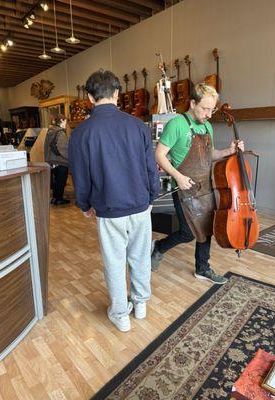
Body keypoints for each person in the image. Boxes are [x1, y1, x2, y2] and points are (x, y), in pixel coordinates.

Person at [68, 70, 159, 332]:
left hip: (108, 209)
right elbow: (150, 166)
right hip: (140, 205)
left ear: (89, 97)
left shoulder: (81, 133)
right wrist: (152, 195)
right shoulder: (138, 126)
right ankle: (140, 304)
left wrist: (84, 205)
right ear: (117, 94)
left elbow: (80, 176)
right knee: (140, 257)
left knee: (114, 261)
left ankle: (120, 314)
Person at [151, 83, 244, 284]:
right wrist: (178, 176)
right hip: (184, 187)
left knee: (207, 228)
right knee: (187, 232)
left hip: (205, 186)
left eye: (212, 109)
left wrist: (228, 151)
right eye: (205, 108)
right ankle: (158, 247)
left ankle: (203, 268)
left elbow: (209, 155)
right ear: (193, 103)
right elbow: (159, 155)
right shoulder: (176, 124)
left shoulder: (207, 126)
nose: (210, 114)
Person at [44, 113, 70, 205]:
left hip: (51, 160)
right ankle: (59, 199)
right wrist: (70, 158)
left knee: (55, 180)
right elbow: (63, 148)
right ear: (62, 121)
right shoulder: (60, 132)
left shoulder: (50, 131)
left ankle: (55, 197)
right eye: (65, 121)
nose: (66, 123)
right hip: (60, 160)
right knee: (61, 180)